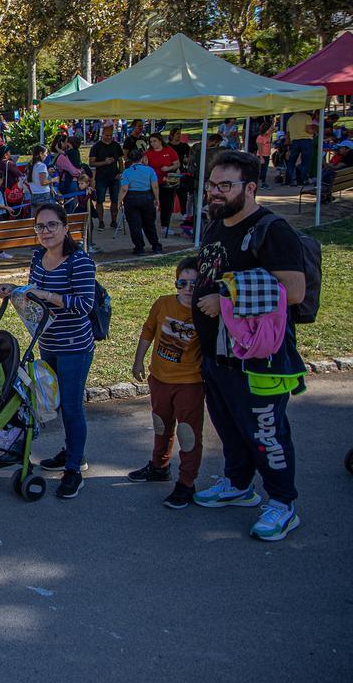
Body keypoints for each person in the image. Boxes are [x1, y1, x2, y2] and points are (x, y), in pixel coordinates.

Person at [190, 151, 306, 541]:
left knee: (267, 434)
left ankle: (282, 503)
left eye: (226, 185)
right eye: (212, 185)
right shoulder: (217, 224)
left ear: (250, 187)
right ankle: (238, 484)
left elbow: (292, 291)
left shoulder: (273, 231)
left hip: (259, 361)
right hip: (217, 357)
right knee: (230, 428)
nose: (216, 193)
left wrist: (225, 297)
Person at [0, 202, 96, 499]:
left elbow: (84, 305)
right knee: (57, 402)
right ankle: (71, 452)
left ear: (66, 228)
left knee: (71, 405)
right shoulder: (38, 257)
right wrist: (14, 290)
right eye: (40, 226)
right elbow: (34, 297)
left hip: (75, 347)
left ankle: (74, 469)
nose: (46, 231)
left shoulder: (79, 262)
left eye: (52, 225)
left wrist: (47, 295)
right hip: (48, 342)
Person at [129, 256, 204, 509]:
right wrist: (138, 361)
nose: (187, 289)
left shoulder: (205, 311)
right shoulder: (163, 303)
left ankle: (186, 483)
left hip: (190, 382)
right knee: (160, 424)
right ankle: (159, 467)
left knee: (188, 432)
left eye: (194, 284)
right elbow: (148, 330)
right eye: (182, 283)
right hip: (159, 377)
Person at [119, 146, 163, 255]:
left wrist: (119, 201)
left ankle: (139, 248)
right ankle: (156, 245)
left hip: (131, 198)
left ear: (129, 159)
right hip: (147, 197)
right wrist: (157, 198)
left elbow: (124, 189)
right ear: (142, 158)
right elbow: (155, 186)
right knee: (149, 223)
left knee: (135, 225)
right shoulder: (150, 170)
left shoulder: (126, 172)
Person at [143, 134, 180, 235]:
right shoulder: (148, 153)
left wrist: (168, 168)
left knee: (166, 205)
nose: (153, 143)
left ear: (160, 141)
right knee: (150, 205)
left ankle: (165, 226)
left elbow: (177, 163)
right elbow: (143, 166)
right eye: (151, 142)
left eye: (154, 141)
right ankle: (148, 227)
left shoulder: (169, 150)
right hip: (151, 183)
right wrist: (145, 164)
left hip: (166, 183)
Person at [255, 121, 274, 190]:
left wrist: (272, 122)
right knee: (262, 170)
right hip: (261, 156)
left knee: (265, 169)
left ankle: (263, 182)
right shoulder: (260, 137)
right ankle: (262, 183)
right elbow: (259, 148)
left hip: (267, 155)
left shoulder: (268, 135)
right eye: (268, 129)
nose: (270, 130)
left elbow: (273, 128)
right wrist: (261, 157)